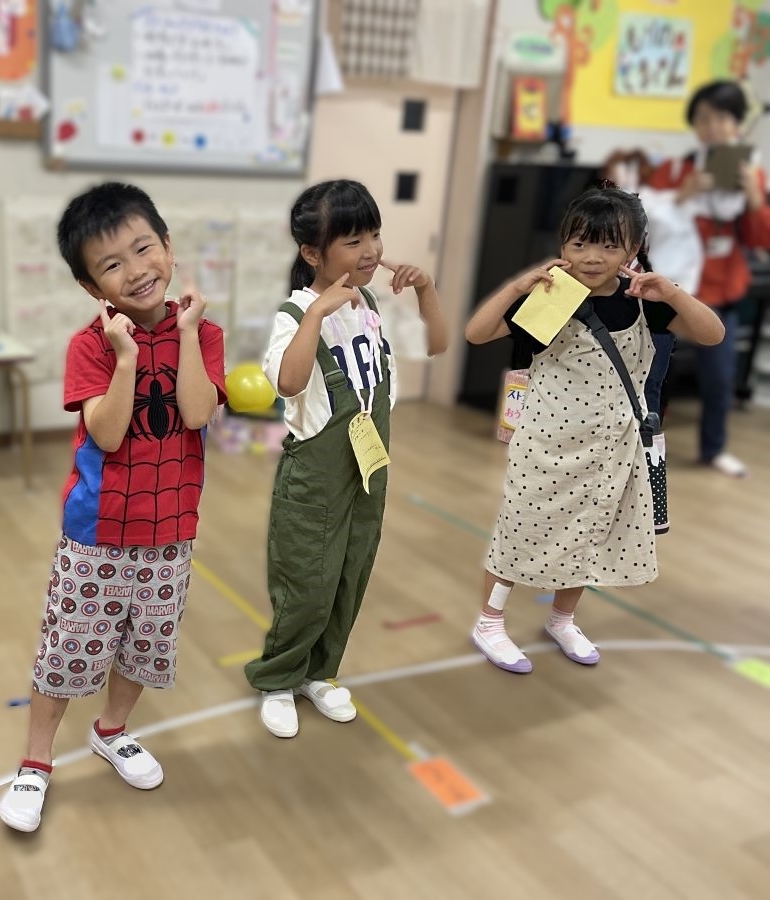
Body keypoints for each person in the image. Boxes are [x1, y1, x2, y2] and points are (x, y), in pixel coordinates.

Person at [0, 182, 226, 832]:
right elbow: (107, 433)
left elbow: (198, 411)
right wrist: (127, 355)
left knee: (144, 647)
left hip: (171, 529)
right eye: (112, 264)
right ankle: (36, 762)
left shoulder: (203, 334)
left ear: (168, 246)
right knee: (69, 651)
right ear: (91, 286)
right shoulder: (90, 347)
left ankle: (112, 729)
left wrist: (182, 337)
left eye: (143, 248)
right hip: (97, 534)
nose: (136, 270)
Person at [465, 186, 724, 674]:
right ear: (563, 244)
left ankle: (563, 618)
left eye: (608, 246)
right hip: (544, 446)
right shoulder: (552, 297)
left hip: (611, 447)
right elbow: (477, 333)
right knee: (519, 531)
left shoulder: (645, 300)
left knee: (590, 533)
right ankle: (489, 621)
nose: (591, 257)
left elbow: (713, 334)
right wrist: (520, 286)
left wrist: (671, 292)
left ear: (635, 247)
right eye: (579, 244)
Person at [244, 179, 449, 738]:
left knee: (349, 575)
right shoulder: (295, 312)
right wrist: (317, 315)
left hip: (369, 467)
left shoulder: (373, 304)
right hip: (314, 476)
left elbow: (438, 343)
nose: (372, 251)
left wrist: (427, 289)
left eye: (375, 235)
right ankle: (279, 678)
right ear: (313, 253)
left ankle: (320, 673)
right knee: (306, 580)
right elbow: (288, 383)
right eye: (354, 240)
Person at [644, 79, 770, 477]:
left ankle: (713, 449)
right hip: (670, 289)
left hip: (721, 290)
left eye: (722, 118)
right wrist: (680, 196)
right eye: (703, 118)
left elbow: (761, 239)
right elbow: (642, 224)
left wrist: (753, 196)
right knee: (650, 372)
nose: (713, 127)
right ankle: (642, 447)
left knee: (718, 379)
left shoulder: (753, 174)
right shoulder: (675, 169)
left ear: (736, 125)